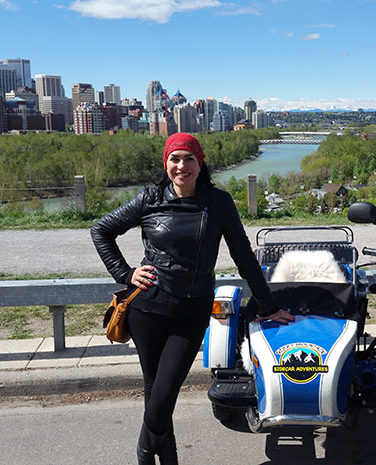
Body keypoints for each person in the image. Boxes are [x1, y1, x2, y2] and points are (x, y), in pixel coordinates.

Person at [91, 133, 293, 465]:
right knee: (155, 392)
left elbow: (243, 256)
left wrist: (268, 305)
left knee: (163, 394)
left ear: (200, 164)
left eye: (189, 159)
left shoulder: (218, 203)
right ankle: (168, 458)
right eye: (175, 159)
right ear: (166, 163)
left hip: (191, 310)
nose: (181, 166)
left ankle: (144, 453)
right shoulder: (149, 198)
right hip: (148, 308)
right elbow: (101, 230)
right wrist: (125, 274)